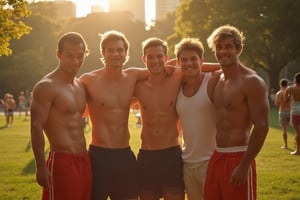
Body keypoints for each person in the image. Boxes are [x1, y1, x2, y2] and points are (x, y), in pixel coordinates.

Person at [79, 30, 150, 200]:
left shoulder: (133, 76)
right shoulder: (88, 80)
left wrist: (220, 68)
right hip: (99, 156)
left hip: (124, 155)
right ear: (103, 53)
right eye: (110, 50)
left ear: (126, 53)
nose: (115, 54)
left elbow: (168, 66)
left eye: (119, 50)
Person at [204, 25, 269, 200]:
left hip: (239, 156)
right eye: (219, 47)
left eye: (228, 47)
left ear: (238, 49)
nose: (223, 51)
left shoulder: (251, 81)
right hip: (217, 155)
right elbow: (187, 65)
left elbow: (262, 126)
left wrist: (244, 165)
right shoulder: (217, 78)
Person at [30, 32, 92, 200]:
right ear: (58, 54)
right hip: (61, 162)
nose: (75, 61)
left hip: (84, 160)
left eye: (80, 56)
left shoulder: (80, 86)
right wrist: (40, 166)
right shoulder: (46, 86)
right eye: (69, 56)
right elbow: (36, 127)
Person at [134, 37, 185, 200]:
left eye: (159, 56)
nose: (155, 60)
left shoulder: (177, 77)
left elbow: (197, 66)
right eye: (150, 56)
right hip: (147, 156)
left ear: (166, 58)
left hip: (171, 155)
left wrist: (224, 66)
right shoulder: (137, 84)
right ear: (144, 59)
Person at [174, 38, 221, 200]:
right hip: (187, 162)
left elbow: (230, 66)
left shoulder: (213, 80)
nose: (189, 63)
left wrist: (202, 66)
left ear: (202, 59)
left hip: (211, 162)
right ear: (178, 63)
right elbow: (167, 67)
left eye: (194, 59)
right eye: (184, 60)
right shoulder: (177, 86)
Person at [285, 72, 300, 155]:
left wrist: (290, 97)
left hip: (295, 110)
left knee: (298, 132)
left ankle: (298, 150)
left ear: (295, 80)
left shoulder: (290, 88)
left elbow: (286, 99)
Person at [275, 79, 291, 149]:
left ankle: (286, 145)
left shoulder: (278, 93)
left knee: (284, 129)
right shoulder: (290, 93)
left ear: (280, 85)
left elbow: (276, 103)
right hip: (290, 111)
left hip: (282, 111)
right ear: (287, 84)